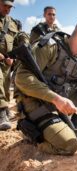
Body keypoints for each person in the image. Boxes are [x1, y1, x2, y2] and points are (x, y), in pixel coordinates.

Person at [15, 19, 77, 155]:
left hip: (58, 104)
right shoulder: (50, 46)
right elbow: (21, 77)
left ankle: (76, 129)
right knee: (70, 145)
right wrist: (55, 98)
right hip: (37, 105)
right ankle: (33, 136)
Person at [0, 0, 20, 130]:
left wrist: (13, 57)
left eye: (10, 7)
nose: (8, 9)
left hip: (7, 62)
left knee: (6, 85)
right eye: (5, 5)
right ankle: (1, 113)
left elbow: (16, 42)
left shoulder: (13, 23)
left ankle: (5, 110)